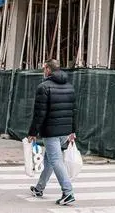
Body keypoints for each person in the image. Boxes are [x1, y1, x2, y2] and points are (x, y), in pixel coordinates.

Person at [27, 58, 77, 206]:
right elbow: (74, 111)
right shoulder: (69, 86)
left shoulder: (43, 87)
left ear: (48, 69)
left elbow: (39, 114)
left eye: (44, 68)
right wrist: (73, 130)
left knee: (55, 160)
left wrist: (32, 132)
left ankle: (68, 192)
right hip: (65, 131)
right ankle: (39, 188)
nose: (43, 71)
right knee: (49, 160)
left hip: (51, 131)